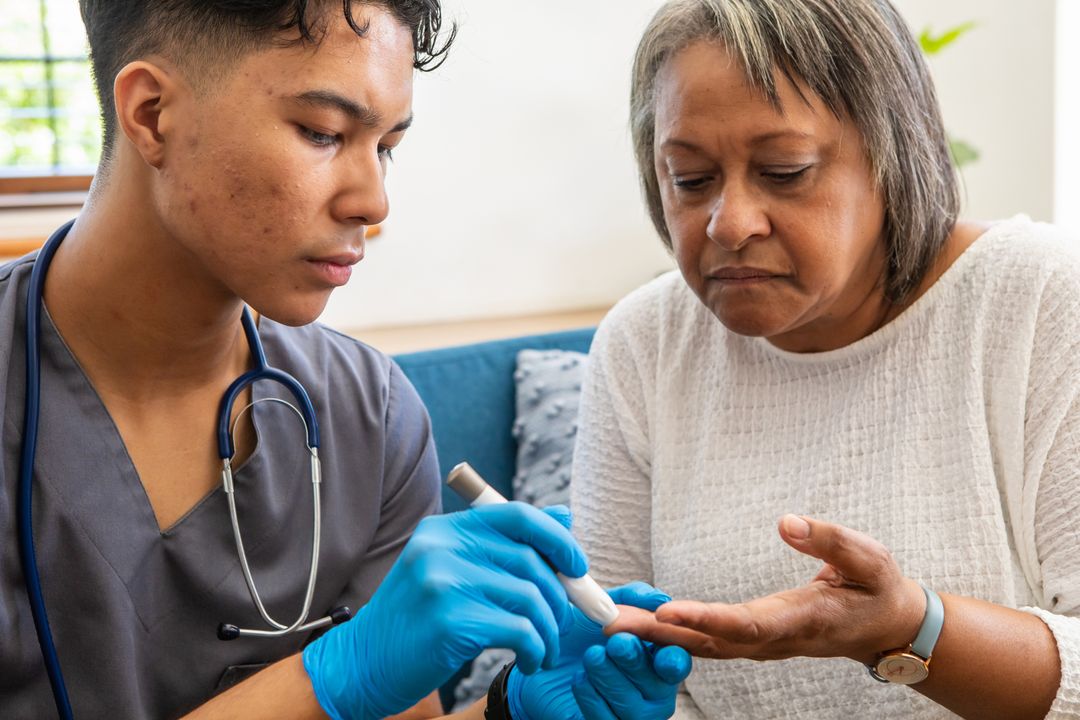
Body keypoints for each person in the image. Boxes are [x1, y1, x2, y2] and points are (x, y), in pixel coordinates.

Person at [0, 1, 692, 718]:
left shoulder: (369, 412)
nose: (373, 200)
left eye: (386, 146)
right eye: (323, 133)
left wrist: (509, 714)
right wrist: (330, 675)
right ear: (151, 114)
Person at [570, 0, 1080, 718]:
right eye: (689, 180)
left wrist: (907, 628)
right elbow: (615, 656)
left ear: (891, 155)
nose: (730, 223)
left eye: (784, 171)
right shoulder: (643, 346)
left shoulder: (1041, 301)